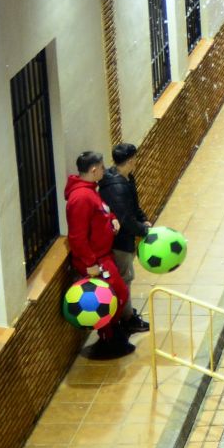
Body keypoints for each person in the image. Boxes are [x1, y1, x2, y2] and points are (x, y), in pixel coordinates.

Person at [65, 150, 133, 358]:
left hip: (103, 257)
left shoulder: (89, 190)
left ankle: (113, 334)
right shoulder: (81, 197)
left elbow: (102, 211)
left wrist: (111, 218)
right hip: (97, 261)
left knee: (117, 294)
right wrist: (90, 263)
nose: (104, 170)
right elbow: (77, 236)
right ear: (94, 170)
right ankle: (108, 337)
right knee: (115, 295)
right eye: (102, 167)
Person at [100, 142, 151, 334]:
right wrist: (143, 231)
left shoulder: (127, 178)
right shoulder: (117, 187)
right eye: (135, 159)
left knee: (126, 277)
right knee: (125, 278)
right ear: (130, 161)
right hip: (119, 242)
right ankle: (127, 318)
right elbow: (125, 219)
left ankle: (126, 313)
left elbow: (134, 208)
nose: (136, 162)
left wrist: (143, 219)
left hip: (125, 238)